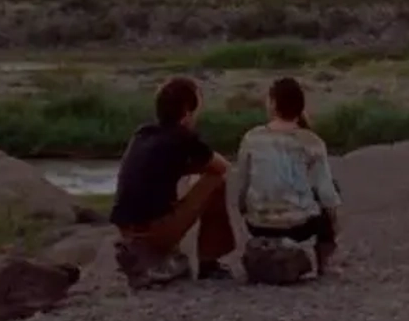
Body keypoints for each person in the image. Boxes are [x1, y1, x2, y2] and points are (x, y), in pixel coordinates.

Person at [108, 76, 238, 287]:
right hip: (152, 230)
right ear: (187, 111)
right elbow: (222, 167)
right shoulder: (183, 137)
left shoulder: (143, 133)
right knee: (215, 180)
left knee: (181, 186)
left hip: (125, 227)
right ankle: (209, 262)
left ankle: (153, 256)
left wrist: (183, 170)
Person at [233, 77, 343, 276]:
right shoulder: (311, 141)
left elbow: (242, 184)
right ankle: (324, 259)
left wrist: (244, 209)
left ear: (273, 104)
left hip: (258, 224)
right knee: (330, 189)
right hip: (298, 226)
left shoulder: (252, 138)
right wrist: (334, 224)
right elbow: (327, 194)